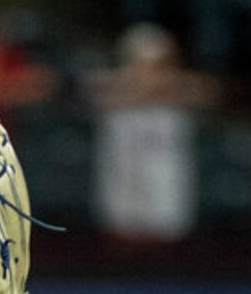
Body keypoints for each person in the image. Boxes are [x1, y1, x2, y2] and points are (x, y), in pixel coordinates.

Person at [87, 23, 218, 243]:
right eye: (141, 61)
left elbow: (208, 91)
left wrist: (157, 89)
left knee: (167, 225)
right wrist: (140, 90)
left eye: (156, 63)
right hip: (125, 169)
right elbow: (94, 91)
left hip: (165, 170)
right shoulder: (112, 85)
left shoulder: (183, 86)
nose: (148, 70)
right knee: (124, 227)